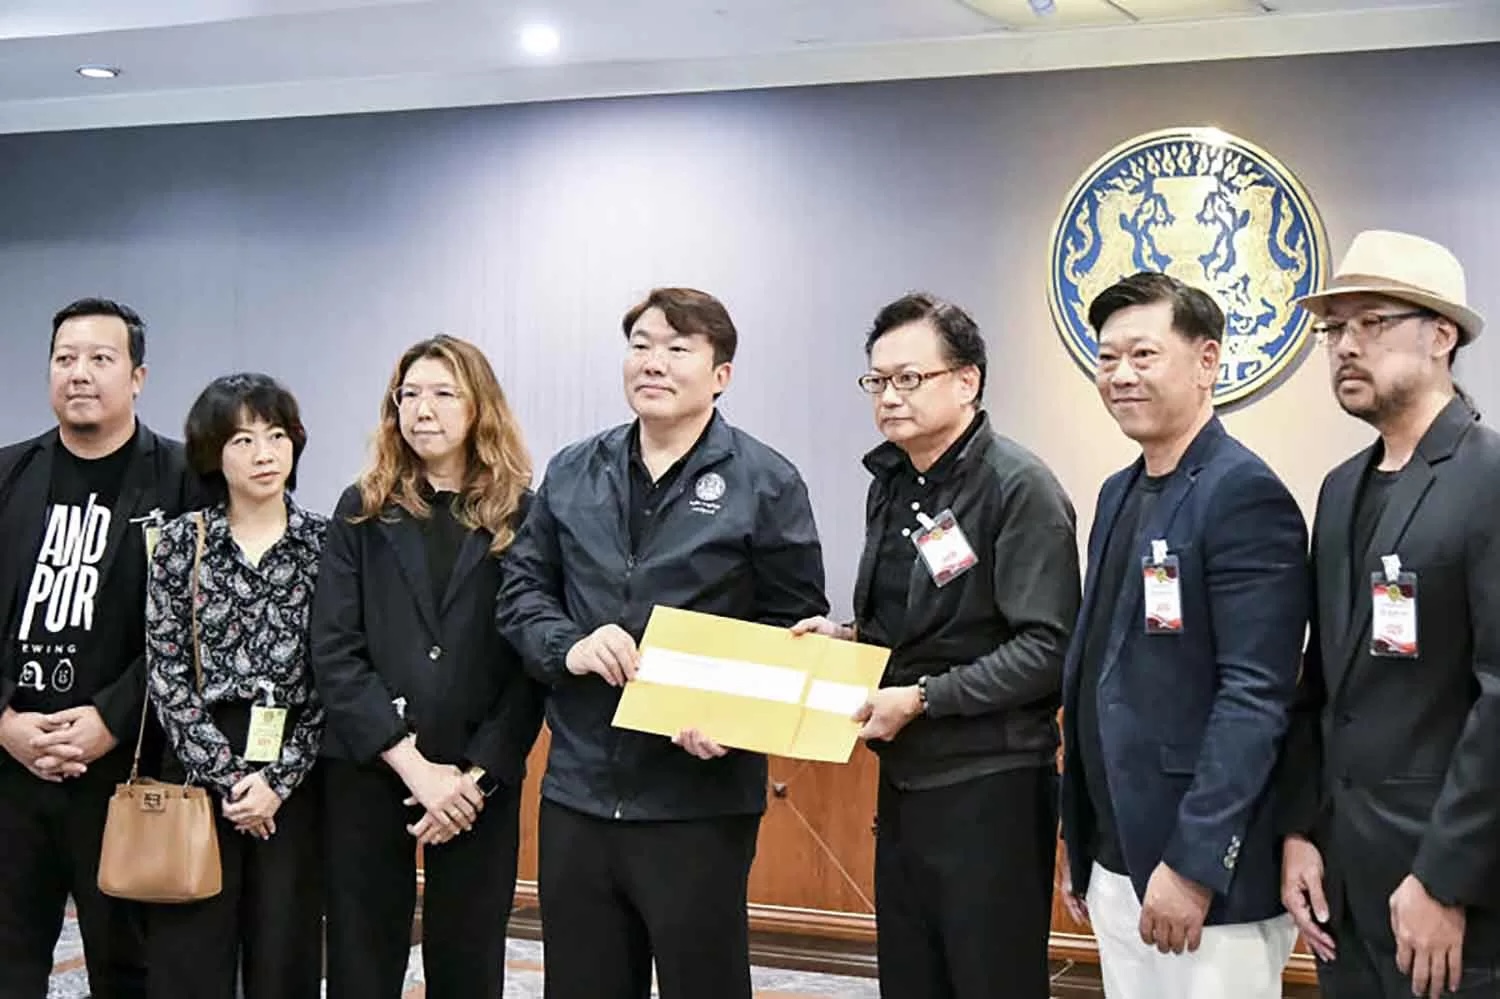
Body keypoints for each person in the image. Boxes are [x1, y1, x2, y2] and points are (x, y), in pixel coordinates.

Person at [496, 287, 830, 999]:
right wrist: (569, 645)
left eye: (678, 349)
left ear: (721, 374)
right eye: (641, 345)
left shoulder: (767, 482)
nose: (653, 362)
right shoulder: (573, 470)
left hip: (697, 801)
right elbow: (522, 592)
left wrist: (734, 719)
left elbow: (795, 627)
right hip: (580, 790)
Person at [792, 293, 1080, 998]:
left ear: (967, 380)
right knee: (911, 976)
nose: (889, 396)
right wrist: (846, 640)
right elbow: (916, 626)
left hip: (992, 782)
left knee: (988, 979)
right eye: (877, 380)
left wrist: (922, 697)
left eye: (909, 378)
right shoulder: (893, 482)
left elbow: (1048, 649)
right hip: (906, 776)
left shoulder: (1019, 487)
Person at [1057, 271, 1306, 999]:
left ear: (1206, 362)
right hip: (1117, 856)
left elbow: (1255, 695)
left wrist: (1195, 864)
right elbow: (1099, 670)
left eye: (1143, 354)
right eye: (1108, 358)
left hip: (1202, 879)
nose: (1121, 375)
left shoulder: (1243, 493)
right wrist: (1080, 835)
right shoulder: (1118, 491)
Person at [1278, 230, 1500, 999]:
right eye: (1334, 328)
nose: (1345, 345)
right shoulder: (1341, 488)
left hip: (1446, 895)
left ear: (1441, 336)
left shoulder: (1487, 478)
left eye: (1371, 322)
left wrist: (1444, 878)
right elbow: (1320, 679)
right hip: (1341, 884)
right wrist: (1301, 827)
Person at [311, 334, 543, 999]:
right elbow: (335, 648)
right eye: (408, 394)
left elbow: (531, 663)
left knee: (469, 959)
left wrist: (474, 778)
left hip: (477, 782)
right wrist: (412, 764)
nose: (422, 409)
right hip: (370, 766)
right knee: (360, 958)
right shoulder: (361, 508)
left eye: (443, 393)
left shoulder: (523, 514)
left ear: (479, 407)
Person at [0, 298, 200, 998]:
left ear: (138, 376)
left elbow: (196, 627)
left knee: (128, 969)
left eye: (100, 359)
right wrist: (5, 721)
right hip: (12, 764)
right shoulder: (9, 475)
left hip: (126, 769)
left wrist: (113, 717)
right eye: (65, 358)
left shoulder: (185, 481)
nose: (79, 373)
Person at [143, 373, 327, 999]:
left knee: (285, 949)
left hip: (295, 766)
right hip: (200, 764)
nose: (264, 454)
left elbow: (337, 669)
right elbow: (166, 668)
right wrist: (227, 778)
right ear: (212, 453)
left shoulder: (326, 544)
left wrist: (276, 783)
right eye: (242, 440)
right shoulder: (179, 542)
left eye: (276, 436)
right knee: (191, 952)